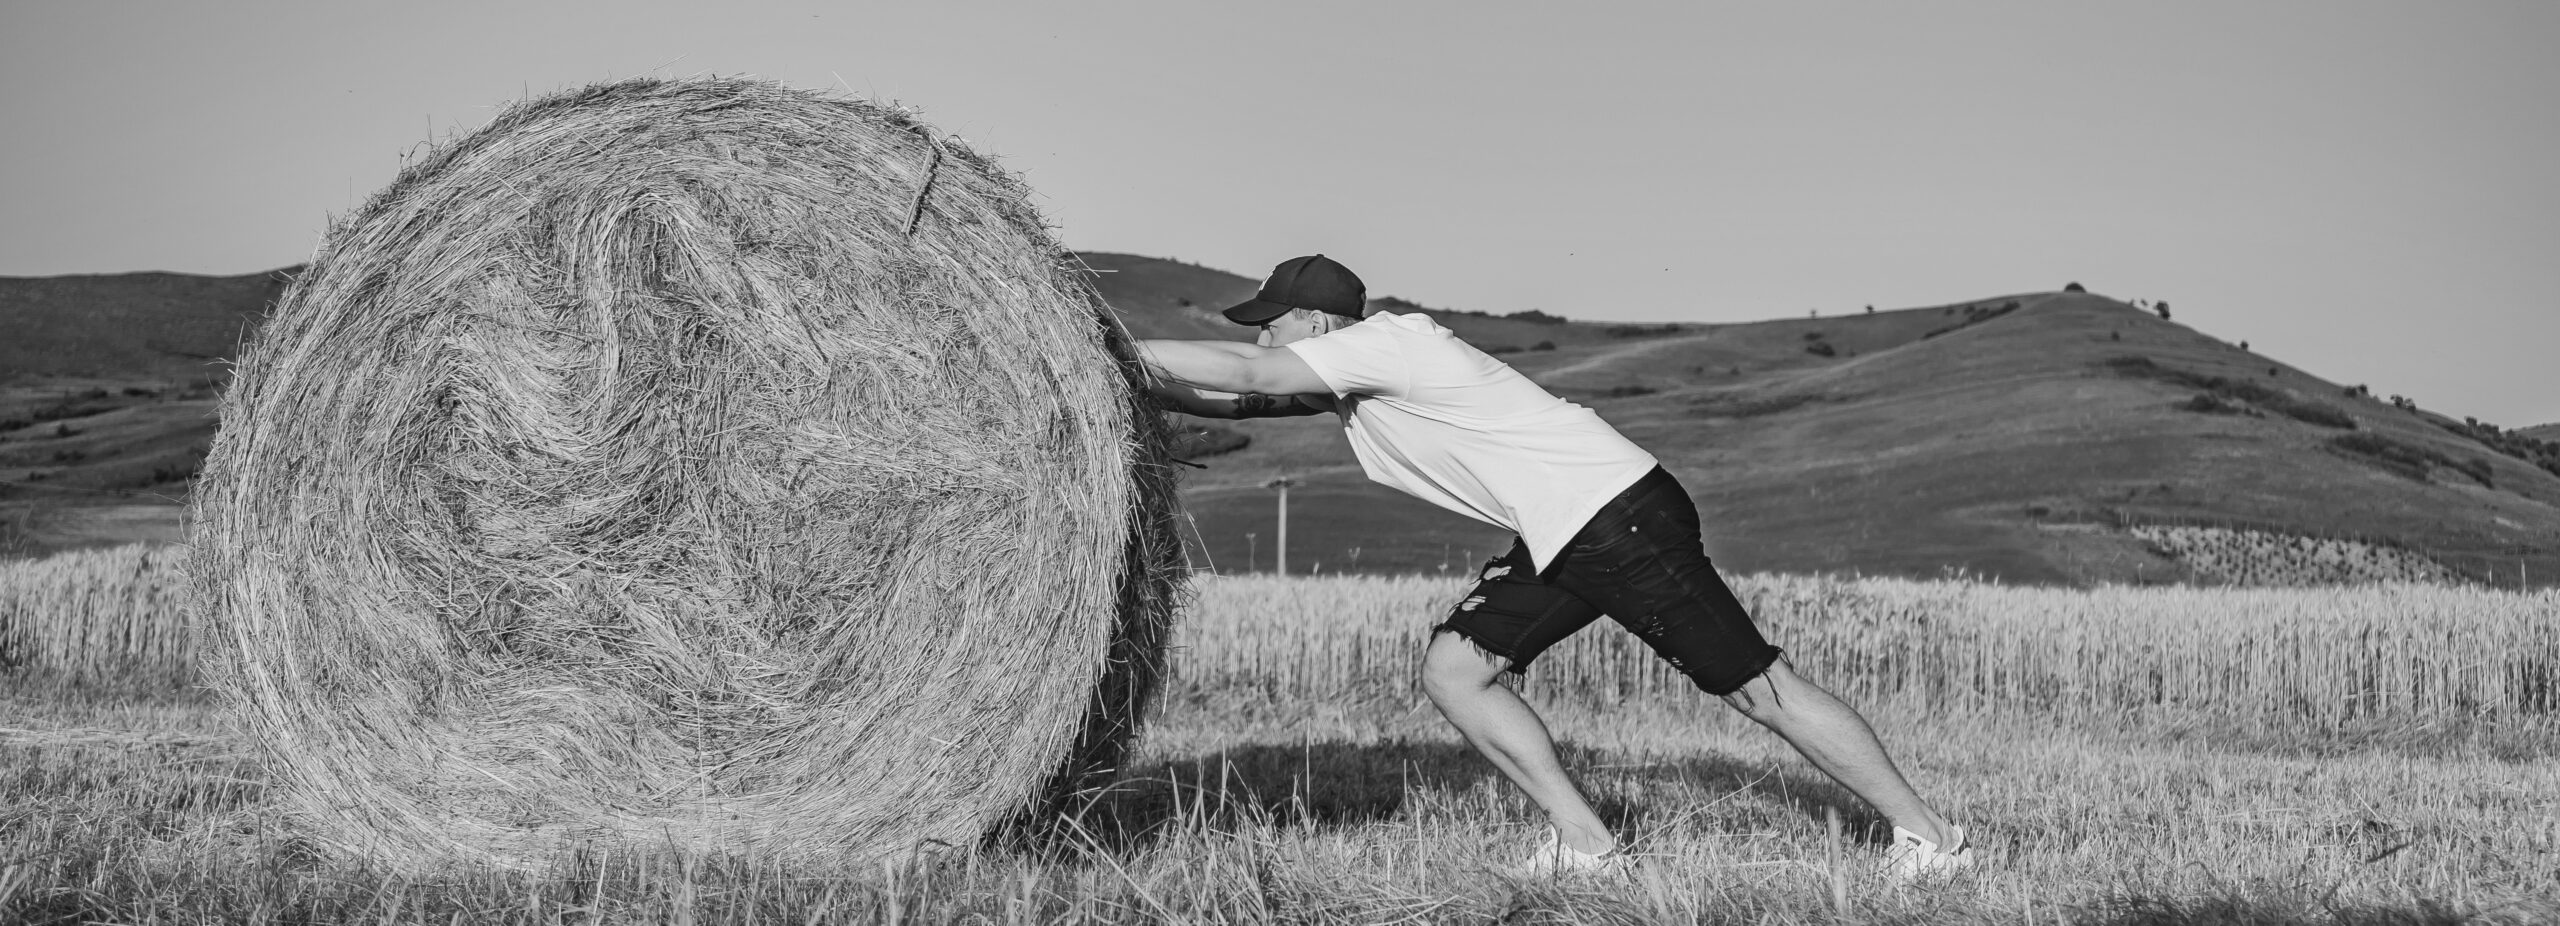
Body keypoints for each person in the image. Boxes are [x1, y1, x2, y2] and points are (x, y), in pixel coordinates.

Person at [1136, 254, 1973, 881]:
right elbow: (1240, 397)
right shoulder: (1360, 378)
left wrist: (1102, 336)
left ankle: (1932, 838)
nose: (1259, 333)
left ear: (1315, 326)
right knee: (1456, 671)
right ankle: (1586, 844)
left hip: (1615, 514)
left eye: (1270, 322)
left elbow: (1246, 373)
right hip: (1563, 529)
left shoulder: (1387, 346)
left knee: (1758, 687)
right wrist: (1119, 380)